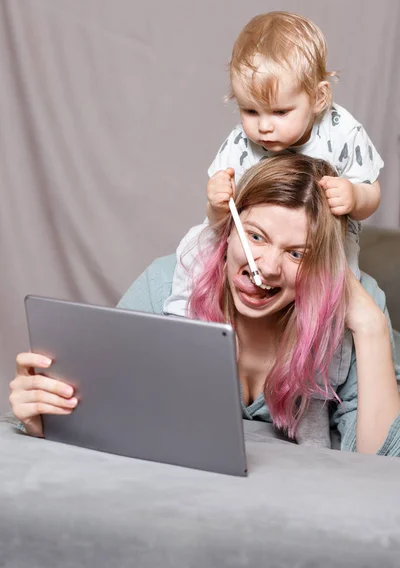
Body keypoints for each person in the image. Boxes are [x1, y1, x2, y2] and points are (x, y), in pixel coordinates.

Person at [9, 155, 400, 454]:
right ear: (227, 230)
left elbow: (377, 465)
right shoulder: (168, 287)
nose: (265, 267)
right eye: (256, 237)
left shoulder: (358, 309)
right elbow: (104, 415)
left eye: (297, 255)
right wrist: (44, 419)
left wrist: (371, 327)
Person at [163, 11, 384, 446]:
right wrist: (215, 200)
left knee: (327, 326)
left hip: (333, 258)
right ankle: (181, 335)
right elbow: (221, 223)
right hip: (220, 274)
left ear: (319, 98)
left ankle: (313, 419)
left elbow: (372, 191)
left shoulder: (341, 133)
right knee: (196, 246)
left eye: (281, 111)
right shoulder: (240, 145)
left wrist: (355, 198)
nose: (264, 127)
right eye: (250, 111)